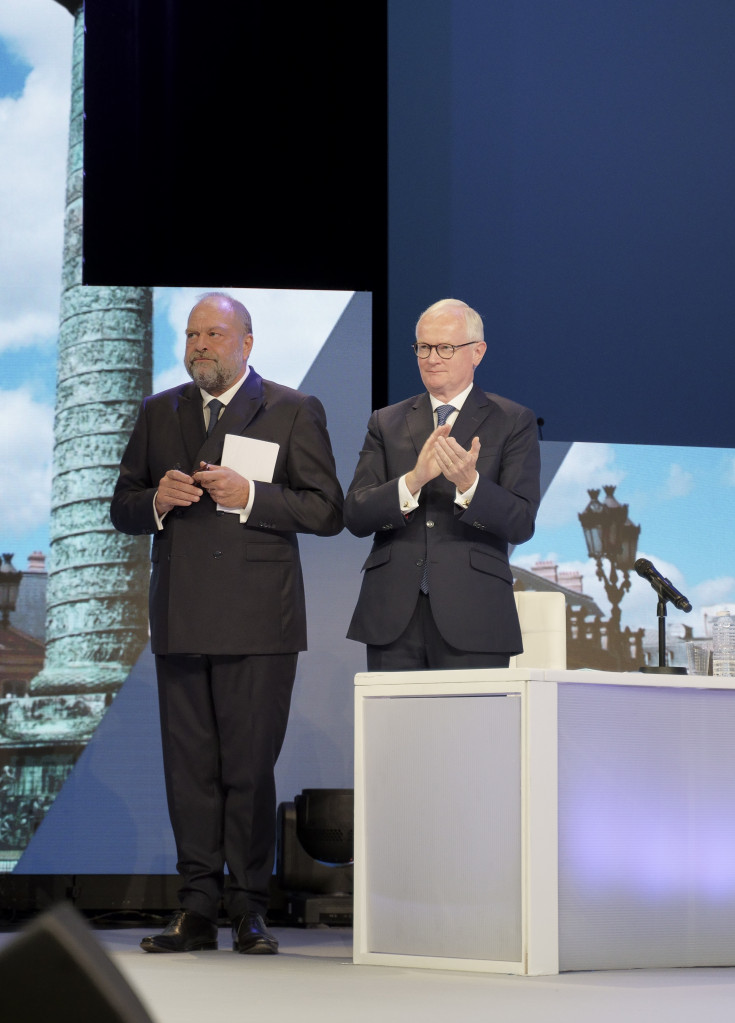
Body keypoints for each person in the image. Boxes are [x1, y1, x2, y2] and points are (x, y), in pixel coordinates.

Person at [110, 292, 344, 955]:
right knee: (189, 771)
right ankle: (195, 909)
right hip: (181, 614)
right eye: (191, 334)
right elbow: (120, 505)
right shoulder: (160, 412)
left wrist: (254, 498)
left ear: (246, 342)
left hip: (258, 622)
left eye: (214, 333)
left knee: (247, 769)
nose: (200, 344)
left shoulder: (292, 409)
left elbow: (327, 510)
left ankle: (248, 908)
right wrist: (152, 500)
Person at [345, 298, 541, 670]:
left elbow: (521, 522)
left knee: (468, 729)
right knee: (396, 730)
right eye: (423, 347)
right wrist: (413, 480)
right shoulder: (386, 422)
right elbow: (355, 514)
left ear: (477, 352)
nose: (432, 358)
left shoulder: (512, 421)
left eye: (446, 347)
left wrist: (470, 485)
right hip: (392, 617)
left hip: (475, 615)